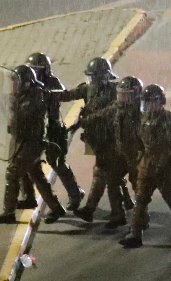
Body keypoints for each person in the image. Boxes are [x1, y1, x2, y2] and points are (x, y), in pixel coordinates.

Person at [0, 65, 66, 224]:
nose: (13, 86)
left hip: (30, 144)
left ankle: (8, 212)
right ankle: (56, 207)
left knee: (12, 174)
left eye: (17, 83)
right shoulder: (27, 96)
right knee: (36, 175)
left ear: (26, 83)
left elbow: (18, 124)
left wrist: (13, 108)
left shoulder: (31, 101)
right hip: (29, 143)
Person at [60, 57, 129, 227]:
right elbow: (68, 95)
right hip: (96, 139)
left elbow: (109, 112)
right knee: (110, 174)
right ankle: (122, 205)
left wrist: (87, 120)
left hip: (110, 139)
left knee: (103, 173)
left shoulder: (115, 91)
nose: (90, 79)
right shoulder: (88, 89)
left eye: (93, 76)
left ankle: (94, 210)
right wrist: (47, 91)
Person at [119, 84, 171, 248]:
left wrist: (159, 166)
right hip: (147, 164)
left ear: (160, 101)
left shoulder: (167, 119)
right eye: (147, 102)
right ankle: (135, 233)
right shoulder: (143, 119)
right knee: (140, 200)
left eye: (153, 102)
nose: (150, 105)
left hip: (164, 167)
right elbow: (140, 142)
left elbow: (169, 147)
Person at [24, 52, 84, 212]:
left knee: (57, 163)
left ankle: (75, 194)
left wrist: (50, 95)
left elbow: (64, 95)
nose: (36, 73)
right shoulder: (28, 84)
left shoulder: (52, 82)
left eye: (39, 70)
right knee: (28, 164)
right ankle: (28, 197)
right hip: (35, 129)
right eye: (33, 70)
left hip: (52, 128)